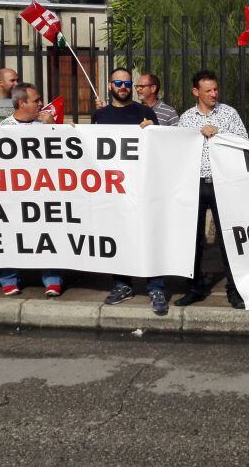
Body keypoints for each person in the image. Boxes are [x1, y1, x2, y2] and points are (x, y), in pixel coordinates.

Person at [92, 68, 168, 315]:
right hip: (114, 189)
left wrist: (152, 130)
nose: (123, 86)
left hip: (143, 188)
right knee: (119, 237)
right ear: (110, 85)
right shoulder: (99, 115)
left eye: (127, 82)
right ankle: (122, 285)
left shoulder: (145, 112)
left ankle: (155, 287)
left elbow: (160, 147)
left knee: (149, 236)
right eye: (118, 82)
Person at [175, 70, 249, 309]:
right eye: (208, 90)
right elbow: (177, 148)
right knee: (192, 239)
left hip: (222, 183)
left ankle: (234, 289)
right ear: (196, 92)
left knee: (227, 238)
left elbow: (244, 142)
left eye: (216, 89)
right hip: (195, 184)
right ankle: (194, 287)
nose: (214, 94)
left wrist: (221, 133)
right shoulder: (186, 118)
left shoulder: (229, 114)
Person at [0, 82, 67, 298]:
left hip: (43, 193)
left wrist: (53, 126)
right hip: (12, 195)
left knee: (48, 233)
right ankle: (9, 279)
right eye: (36, 100)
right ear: (21, 103)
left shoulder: (46, 125)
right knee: (10, 233)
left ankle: (52, 279)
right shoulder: (1, 128)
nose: (41, 104)